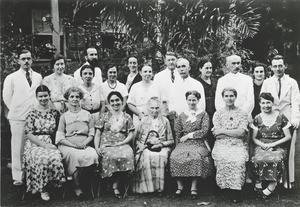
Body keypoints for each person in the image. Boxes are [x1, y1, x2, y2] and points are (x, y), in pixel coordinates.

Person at [2, 49, 42, 185]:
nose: (26, 61)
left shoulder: (37, 76)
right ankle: (18, 176)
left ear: (32, 60)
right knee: (18, 145)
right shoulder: (11, 77)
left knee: (33, 144)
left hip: (34, 117)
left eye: (28, 58)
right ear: (19, 61)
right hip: (18, 116)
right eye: (23, 59)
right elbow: (6, 96)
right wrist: (16, 109)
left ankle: (32, 173)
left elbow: (39, 94)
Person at [260, 55, 300, 186]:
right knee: (273, 146)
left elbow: (296, 101)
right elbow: (263, 101)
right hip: (271, 117)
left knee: (288, 148)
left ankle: (288, 180)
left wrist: (295, 118)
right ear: (271, 67)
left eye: (280, 66)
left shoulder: (292, 82)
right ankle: (272, 178)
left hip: (288, 116)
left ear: (285, 66)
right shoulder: (267, 82)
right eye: (275, 66)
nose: (278, 69)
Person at [23, 85, 65, 201]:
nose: (43, 98)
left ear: (49, 96)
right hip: (35, 143)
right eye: (40, 96)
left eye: (45, 95)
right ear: (36, 97)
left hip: (50, 141)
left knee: (55, 157)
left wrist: (55, 144)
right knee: (41, 158)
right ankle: (42, 189)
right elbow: (29, 133)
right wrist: (43, 145)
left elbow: (59, 129)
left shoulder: (54, 112)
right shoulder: (32, 113)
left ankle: (51, 184)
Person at [56, 87, 99, 198]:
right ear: (67, 99)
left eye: (77, 97)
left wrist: (84, 143)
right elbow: (60, 137)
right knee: (74, 156)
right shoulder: (63, 116)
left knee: (93, 154)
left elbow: (91, 133)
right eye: (72, 97)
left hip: (84, 144)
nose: (75, 99)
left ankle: (87, 183)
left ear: (80, 99)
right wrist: (74, 145)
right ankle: (77, 186)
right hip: (67, 145)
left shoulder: (87, 114)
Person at [170, 90, 213, 198]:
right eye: (189, 100)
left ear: (198, 100)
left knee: (196, 157)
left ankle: (194, 186)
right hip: (183, 143)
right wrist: (177, 145)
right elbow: (178, 131)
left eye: (194, 100)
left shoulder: (203, 114)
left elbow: (204, 131)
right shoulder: (182, 115)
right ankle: (180, 186)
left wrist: (189, 136)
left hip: (199, 142)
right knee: (175, 156)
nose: (191, 102)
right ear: (186, 101)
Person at [251, 93, 292, 198]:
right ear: (259, 104)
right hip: (262, 145)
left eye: (268, 102)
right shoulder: (257, 118)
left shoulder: (280, 117)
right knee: (257, 159)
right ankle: (258, 182)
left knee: (276, 159)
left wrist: (273, 144)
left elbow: (288, 136)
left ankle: (271, 186)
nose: (266, 105)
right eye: (263, 103)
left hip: (278, 146)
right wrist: (262, 144)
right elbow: (254, 138)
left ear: (272, 103)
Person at [94, 91, 134, 199]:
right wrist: (97, 147)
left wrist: (123, 142)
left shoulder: (127, 116)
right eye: (112, 101)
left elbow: (131, 134)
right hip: (107, 144)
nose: (115, 103)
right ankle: (111, 183)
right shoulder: (104, 116)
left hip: (122, 143)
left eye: (117, 100)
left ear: (121, 101)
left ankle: (116, 184)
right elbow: (97, 134)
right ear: (109, 103)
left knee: (126, 155)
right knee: (111, 156)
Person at [211, 88, 249, 203]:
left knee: (238, 159)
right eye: (226, 96)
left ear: (235, 97)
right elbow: (217, 135)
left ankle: (236, 190)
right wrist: (233, 132)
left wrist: (223, 131)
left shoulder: (242, 113)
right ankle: (224, 188)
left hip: (237, 144)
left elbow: (242, 133)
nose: (229, 98)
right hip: (222, 143)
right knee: (223, 157)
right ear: (223, 97)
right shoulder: (218, 114)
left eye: (231, 96)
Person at [133, 97, 174, 194]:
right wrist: (141, 145)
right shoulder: (143, 121)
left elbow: (171, 140)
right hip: (145, 147)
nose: (154, 110)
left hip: (162, 147)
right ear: (148, 108)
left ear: (160, 108)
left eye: (157, 108)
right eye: (152, 108)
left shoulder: (165, 121)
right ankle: (147, 188)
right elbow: (136, 139)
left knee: (161, 156)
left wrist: (161, 144)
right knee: (147, 156)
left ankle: (159, 188)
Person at [198, 58, 217, 148]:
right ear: (200, 69)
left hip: (215, 111)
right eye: (206, 68)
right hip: (204, 112)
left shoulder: (215, 81)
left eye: (210, 68)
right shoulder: (197, 82)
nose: (209, 70)